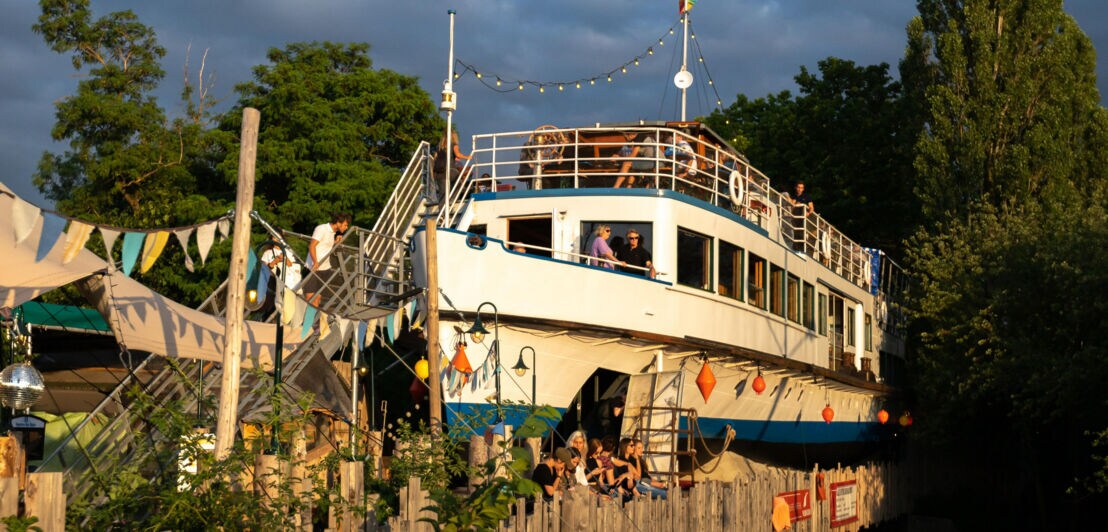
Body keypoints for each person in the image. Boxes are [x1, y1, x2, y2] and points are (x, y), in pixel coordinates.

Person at [305, 213, 352, 304]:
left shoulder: (333, 233)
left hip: (325, 268)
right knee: (310, 298)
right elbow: (312, 246)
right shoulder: (322, 228)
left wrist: (335, 242)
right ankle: (306, 318)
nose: (346, 227)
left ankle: (314, 318)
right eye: (346, 225)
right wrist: (315, 262)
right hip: (314, 267)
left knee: (318, 298)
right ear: (338, 222)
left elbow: (324, 246)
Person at [788, 182, 814, 251]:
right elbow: (791, 206)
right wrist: (795, 203)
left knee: (800, 233)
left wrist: (808, 213)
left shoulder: (807, 197)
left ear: (803, 189)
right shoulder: (793, 197)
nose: (800, 189)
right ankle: (795, 247)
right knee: (795, 232)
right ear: (796, 188)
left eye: (801, 188)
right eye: (798, 187)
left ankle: (801, 248)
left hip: (803, 218)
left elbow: (811, 208)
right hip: (794, 217)